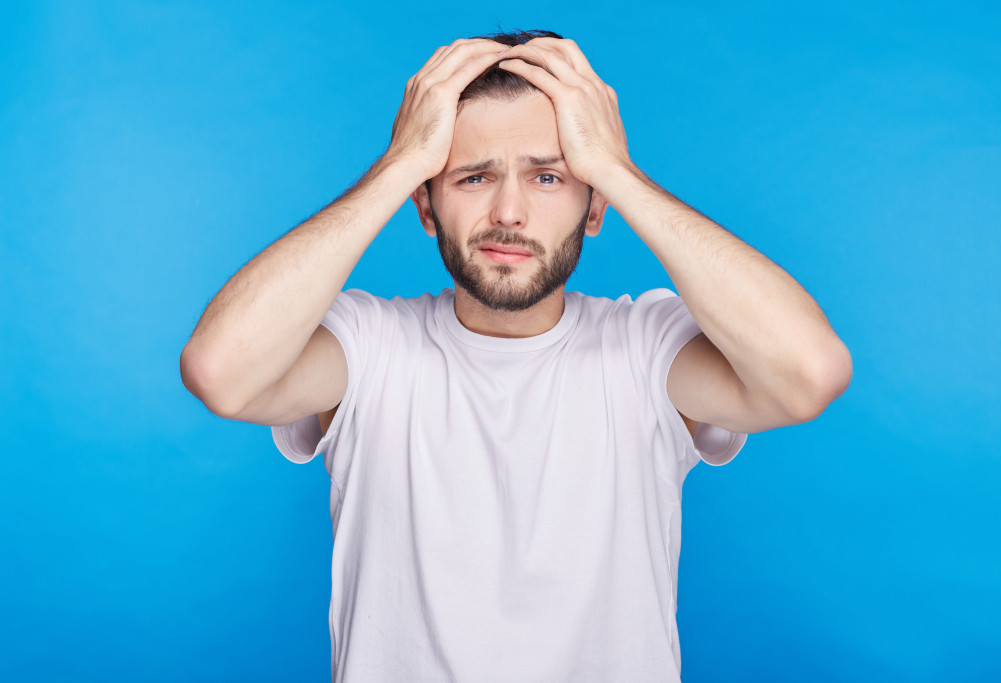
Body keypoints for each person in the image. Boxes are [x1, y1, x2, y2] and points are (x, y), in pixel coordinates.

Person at [180, 29, 852, 683]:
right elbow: (221, 371)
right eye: (472, 177)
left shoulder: (648, 349)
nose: (510, 211)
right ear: (425, 204)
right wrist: (399, 163)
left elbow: (810, 374)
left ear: (595, 210)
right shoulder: (368, 346)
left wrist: (615, 170)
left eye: (549, 177)